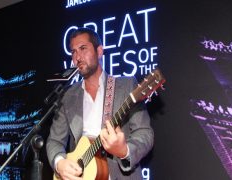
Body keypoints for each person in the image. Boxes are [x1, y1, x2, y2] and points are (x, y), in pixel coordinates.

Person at [46, 27, 153, 180]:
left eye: (83, 48)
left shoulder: (127, 85)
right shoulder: (67, 95)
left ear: (100, 51)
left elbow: (145, 133)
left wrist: (124, 150)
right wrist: (59, 163)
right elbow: (54, 141)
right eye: (73, 52)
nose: (77, 57)